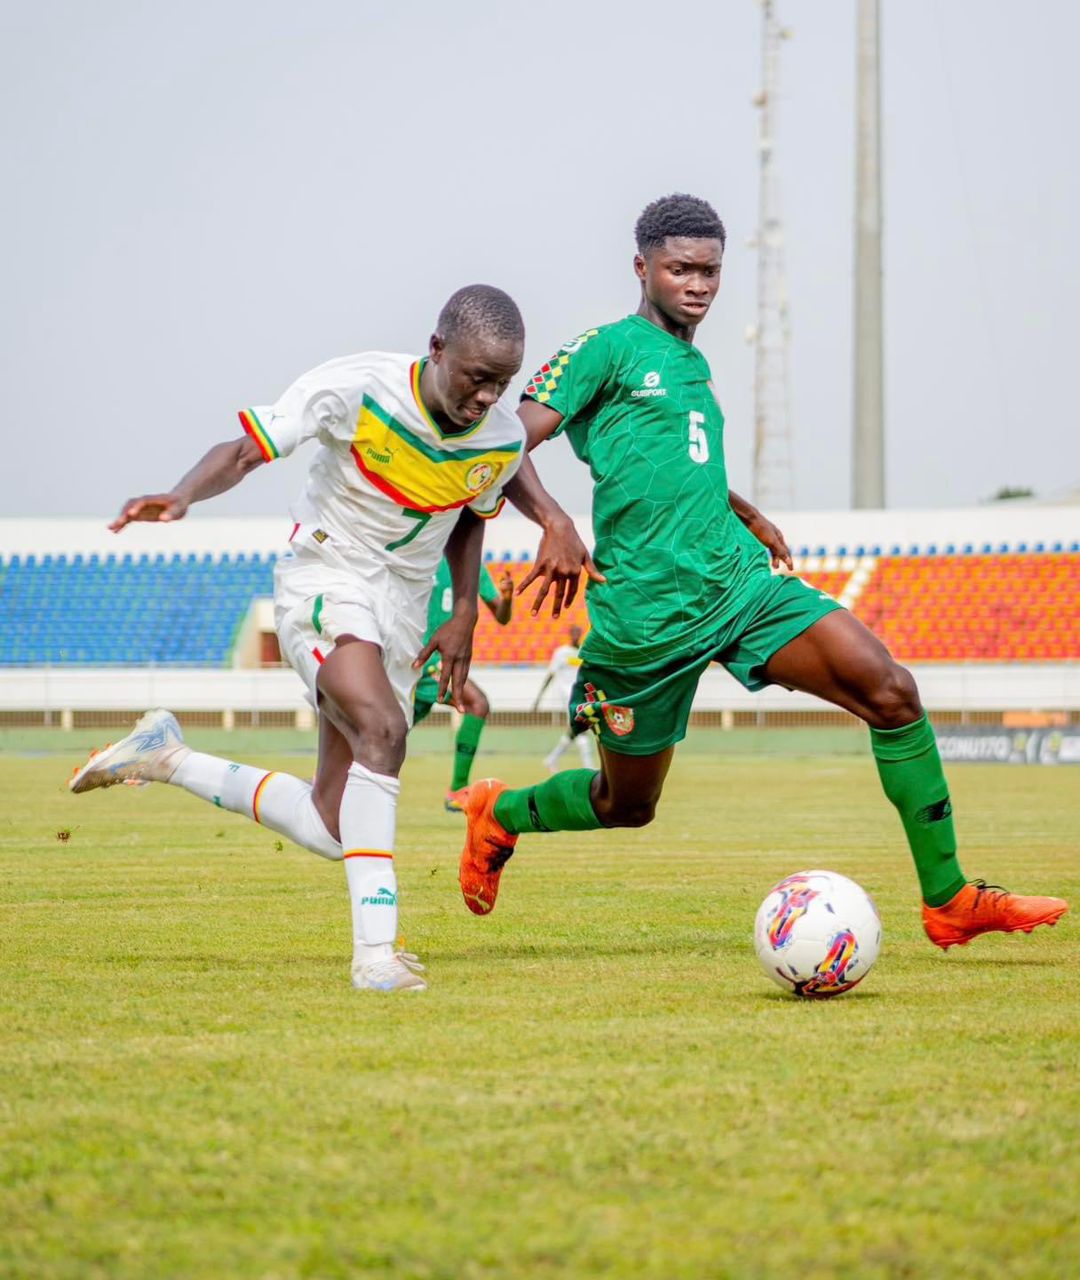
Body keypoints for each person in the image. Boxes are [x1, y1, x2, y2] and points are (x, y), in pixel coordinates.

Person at [458, 194, 1069, 949]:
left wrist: (741, 510)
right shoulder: (603, 349)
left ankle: (950, 898)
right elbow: (500, 441)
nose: (700, 285)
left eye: (711, 270)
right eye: (681, 268)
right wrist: (553, 521)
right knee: (627, 805)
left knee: (891, 690)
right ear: (641, 266)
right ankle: (500, 815)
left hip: (739, 585)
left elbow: (674, 463)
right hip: (645, 619)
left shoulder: (692, 363)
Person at [69, 284, 540, 993]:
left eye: (501, 384)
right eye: (477, 379)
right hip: (328, 574)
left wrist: (466, 609)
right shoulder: (358, 386)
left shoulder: (502, 438)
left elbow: (474, 512)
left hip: (404, 611)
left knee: (332, 824)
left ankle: (167, 757)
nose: (486, 398)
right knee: (384, 728)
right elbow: (245, 451)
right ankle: (377, 956)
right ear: (437, 349)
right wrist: (182, 495)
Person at [413, 556, 515, 811]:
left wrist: (508, 598)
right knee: (477, 703)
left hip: (442, 660)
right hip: (418, 657)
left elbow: (502, 617)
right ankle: (457, 791)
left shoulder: (472, 566)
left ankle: (338, 775)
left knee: (391, 727)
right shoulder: (424, 551)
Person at [532, 624, 598, 772]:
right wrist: (539, 697)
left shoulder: (583, 652)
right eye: (573, 632)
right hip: (568, 696)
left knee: (576, 729)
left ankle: (551, 759)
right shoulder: (561, 653)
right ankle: (588, 767)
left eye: (577, 632)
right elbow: (551, 674)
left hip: (582, 695)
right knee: (582, 726)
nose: (575, 634)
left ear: (581, 633)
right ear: (569, 634)